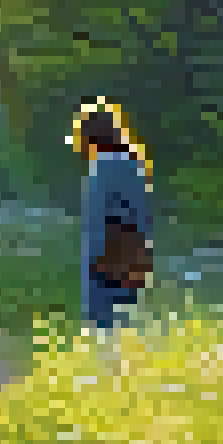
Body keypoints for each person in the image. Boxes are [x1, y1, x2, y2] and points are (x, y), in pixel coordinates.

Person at [71, 98, 153, 333]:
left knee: (104, 329)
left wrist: (92, 264)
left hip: (105, 256)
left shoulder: (103, 166)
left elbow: (96, 218)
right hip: (134, 252)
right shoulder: (135, 163)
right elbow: (143, 215)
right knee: (128, 325)